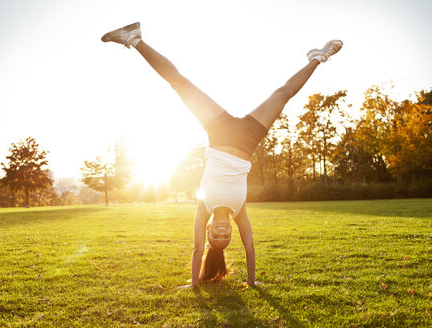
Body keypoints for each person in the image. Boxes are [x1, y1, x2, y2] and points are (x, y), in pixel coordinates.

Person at [101, 22, 342, 288]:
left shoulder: (204, 206)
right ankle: (318, 57)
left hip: (218, 131)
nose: (222, 232)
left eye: (216, 235)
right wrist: (252, 283)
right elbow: (250, 250)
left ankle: (134, 39)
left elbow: (196, 249)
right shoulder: (239, 212)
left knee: (180, 83)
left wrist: (193, 285)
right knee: (283, 94)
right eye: (225, 237)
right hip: (249, 138)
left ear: (209, 231)